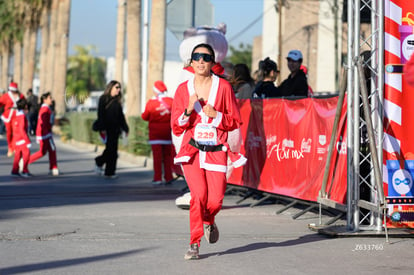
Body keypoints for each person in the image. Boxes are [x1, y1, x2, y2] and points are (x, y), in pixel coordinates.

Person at [171, 43, 246, 260]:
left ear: (213, 62)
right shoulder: (183, 90)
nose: (201, 61)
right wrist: (187, 110)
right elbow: (177, 125)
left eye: (206, 57)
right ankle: (194, 243)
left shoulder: (223, 87)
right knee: (199, 196)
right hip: (192, 150)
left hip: (216, 150)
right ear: (191, 62)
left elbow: (235, 121)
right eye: (197, 57)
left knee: (215, 201)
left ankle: (208, 221)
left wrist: (217, 115)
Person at [141, 80, 174, 185]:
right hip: (167, 133)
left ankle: (158, 178)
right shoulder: (171, 101)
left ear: (155, 91)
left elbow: (145, 116)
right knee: (168, 157)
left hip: (155, 134)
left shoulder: (151, 103)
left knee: (157, 157)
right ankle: (168, 177)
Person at [94, 80, 129, 179]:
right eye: (116, 87)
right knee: (110, 150)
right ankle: (100, 162)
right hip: (106, 129)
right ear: (111, 88)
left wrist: (125, 128)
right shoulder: (103, 99)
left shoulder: (117, 101)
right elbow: (100, 114)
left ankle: (110, 172)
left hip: (115, 129)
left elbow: (121, 116)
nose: (118, 90)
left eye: (119, 88)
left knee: (113, 151)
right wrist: (102, 128)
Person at [29, 92, 59, 176]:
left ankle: (53, 168)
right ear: (44, 100)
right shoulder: (45, 109)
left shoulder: (46, 108)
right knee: (42, 152)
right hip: (45, 133)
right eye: (50, 98)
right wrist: (46, 131)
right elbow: (43, 123)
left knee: (52, 149)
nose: (51, 99)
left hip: (46, 133)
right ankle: (25, 161)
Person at [0, 82, 25, 157]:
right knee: (9, 132)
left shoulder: (21, 96)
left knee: (16, 132)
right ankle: (10, 147)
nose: (12, 91)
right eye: (11, 89)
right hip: (8, 117)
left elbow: (25, 103)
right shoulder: (6, 96)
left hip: (17, 117)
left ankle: (13, 147)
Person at [11, 98, 32, 177]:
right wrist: (27, 141)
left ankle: (15, 170)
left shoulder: (17, 115)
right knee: (26, 154)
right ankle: (24, 170)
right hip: (22, 139)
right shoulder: (22, 116)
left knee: (18, 155)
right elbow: (22, 129)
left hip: (17, 138)